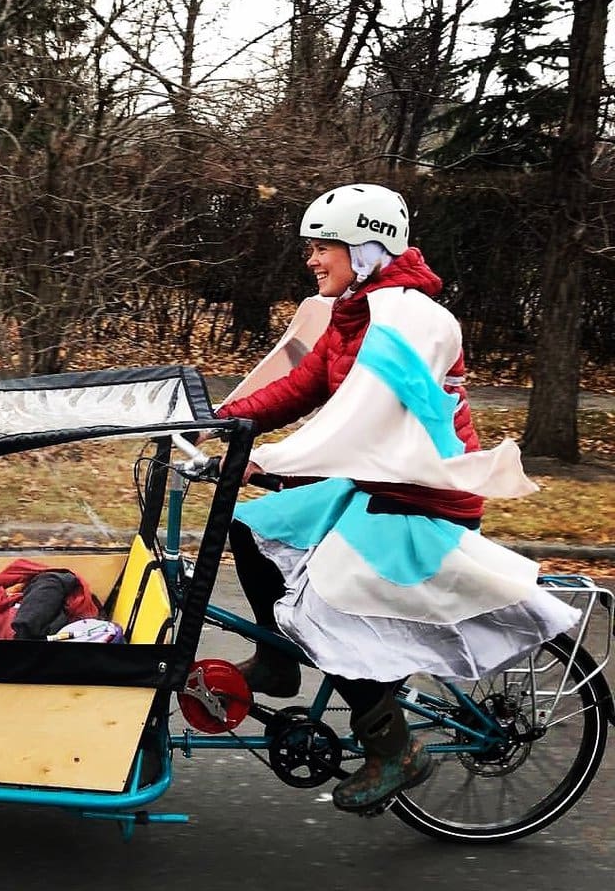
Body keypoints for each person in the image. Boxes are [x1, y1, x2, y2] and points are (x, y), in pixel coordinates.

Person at [214, 182, 580, 814]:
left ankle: (393, 747)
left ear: (364, 248)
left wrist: (267, 459)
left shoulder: (408, 318)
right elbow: (302, 388)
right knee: (249, 529)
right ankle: (277, 664)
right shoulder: (357, 309)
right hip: (376, 480)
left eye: (321, 247)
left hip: (424, 495)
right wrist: (222, 420)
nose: (310, 259)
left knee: (327, 605)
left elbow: (363, 416)